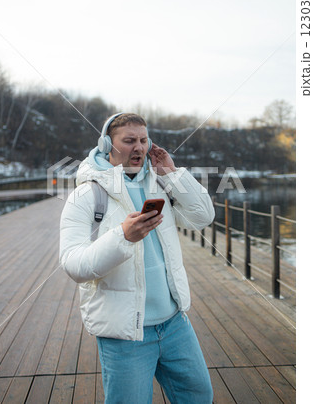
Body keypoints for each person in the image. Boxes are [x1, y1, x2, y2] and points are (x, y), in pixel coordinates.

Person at [59, 112, 215, 403]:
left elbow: (203, 217)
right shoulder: (86, 195)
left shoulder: (159, 184)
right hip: (125, 333)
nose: (139, 147)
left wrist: (172, 173)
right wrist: (122, 236)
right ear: (107, 144)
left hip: (175, 323)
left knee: (199, 397)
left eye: (143, 140)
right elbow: (73, 264)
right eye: (129, 140)